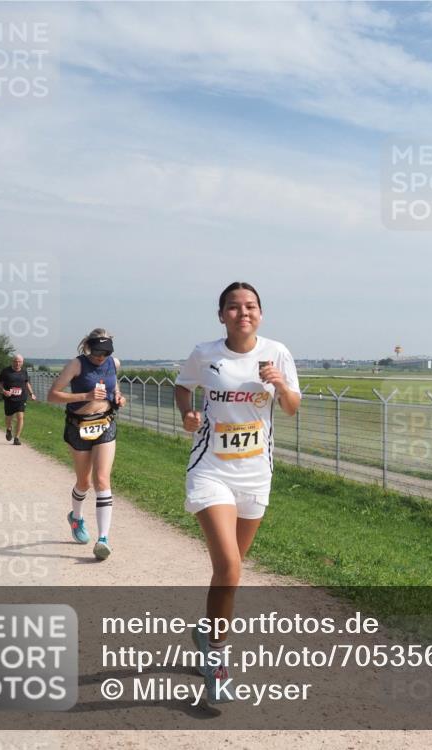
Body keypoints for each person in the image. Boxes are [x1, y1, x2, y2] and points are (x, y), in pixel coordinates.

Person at [174, 281, 300, 702]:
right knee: (229, 567)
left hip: (255, 475)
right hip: (210, 469)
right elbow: (182, 386)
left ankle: (207, 632)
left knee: (229, 573)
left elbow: (292, 407)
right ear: (221, 314)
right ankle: (218, 661)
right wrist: (188, 413)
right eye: (233, 307)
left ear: (260, 313)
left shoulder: (277, 352)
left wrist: (280, 384)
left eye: (249, 307)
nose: (242, 313)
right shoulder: (205, 353)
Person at [47, 329, 126, 561]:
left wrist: (118, 398)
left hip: (105, 423)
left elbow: (114, 388)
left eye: (105, 353)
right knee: (84, 482)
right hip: (78, 425)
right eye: (97, 352)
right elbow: (53, 395)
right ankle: (77, 518)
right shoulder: (76, 365)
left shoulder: (114, 363)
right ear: (88, 347)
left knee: (102, 479)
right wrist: (86, 395)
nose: (101, 357)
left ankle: (103, 539)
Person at [0, 355, 36, 445]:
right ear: (12, 361)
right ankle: (8, 429)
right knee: (8, 418)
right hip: (9, 399)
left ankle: (17, 438)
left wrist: (31, 394)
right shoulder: (6, 371)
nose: (17, 363)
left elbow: (27, 383)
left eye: (19, 362)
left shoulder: (24, 372)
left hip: (21, 398)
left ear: (22, 362)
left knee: (20, 417)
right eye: (15, 361)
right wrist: (4, 391)